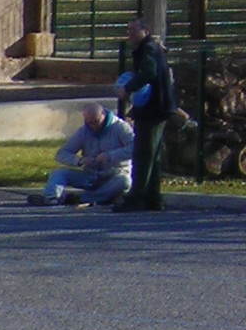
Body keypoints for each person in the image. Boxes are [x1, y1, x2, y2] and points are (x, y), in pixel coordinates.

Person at [118, 16, 179, 211]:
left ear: (145, 31)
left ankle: (136, 198)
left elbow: (148, 73)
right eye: (128, 30)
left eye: (133, 30)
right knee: (153, 154)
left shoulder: (149, 49)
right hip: (157, 107)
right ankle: (153, 198)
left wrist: (128, 88)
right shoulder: (149, 48)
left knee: (143, 154)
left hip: (153, 108)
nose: (129, 34)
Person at [33, 102, 133, 207]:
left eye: (96, 122)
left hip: (114, 175)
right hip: (90, 176)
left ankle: (81, 198)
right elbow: (62, 154)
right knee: (59, 173)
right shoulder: (84, 131)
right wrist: (79, 160)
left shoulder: (120, 127)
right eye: (89, 123)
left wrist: (110, 155)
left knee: (124, 182)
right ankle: (51, 197)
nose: (93, 126)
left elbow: (135, 148)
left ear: (103, 114)